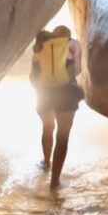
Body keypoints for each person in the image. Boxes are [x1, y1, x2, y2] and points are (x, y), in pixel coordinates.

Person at [30, 25, 84, 189]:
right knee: (63, 136)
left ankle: (46, 162)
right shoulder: (73, 44)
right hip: (66, 93)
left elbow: (34, 74)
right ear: (68, 35)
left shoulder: (41, 46)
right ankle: (55, 182)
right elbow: (77, 70)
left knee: (48, 127)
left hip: (45, 93)